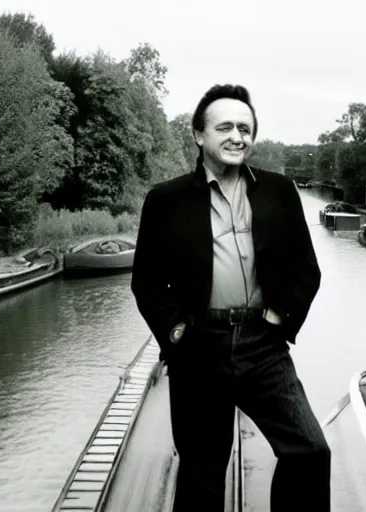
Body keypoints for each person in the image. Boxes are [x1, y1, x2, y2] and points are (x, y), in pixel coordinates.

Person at [131, 84, 330, 511]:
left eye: (245, 127)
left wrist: (281, 317)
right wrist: (178, 333)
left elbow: (306, 269)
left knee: (310, 450)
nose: (237, 136)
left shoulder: (279, 191)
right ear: (199, 135)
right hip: (199, 345)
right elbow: (146, 283)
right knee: (202, 471)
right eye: (225, 127)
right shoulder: (165, 200)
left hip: (263, 345)